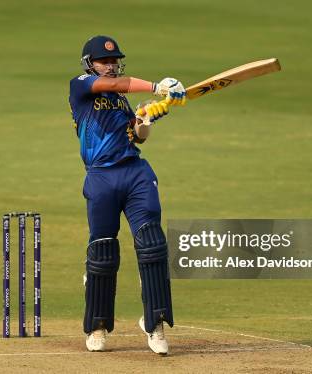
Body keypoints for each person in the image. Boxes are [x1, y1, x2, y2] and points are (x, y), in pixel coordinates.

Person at [68, 35, 186, 355]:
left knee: (152, 245)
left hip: (135, 174)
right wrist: (155, 86)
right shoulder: (81, 85)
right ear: (89, 64)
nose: (109, 65)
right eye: (103, 61)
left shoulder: (121, 100)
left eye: (113, 60)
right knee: (104, 251)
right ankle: (97, 326)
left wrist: (145, 120)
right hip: (101, 176)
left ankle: (155, 325)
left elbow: (138, 136)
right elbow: (113, 85)